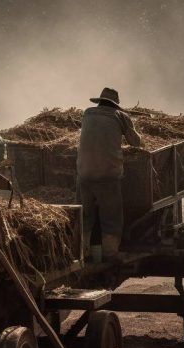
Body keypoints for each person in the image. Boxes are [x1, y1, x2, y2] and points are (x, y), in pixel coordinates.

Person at [76, 87, 143, 261]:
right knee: (111, 216)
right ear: (115, 104)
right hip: (107, 176)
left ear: (99, 101)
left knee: (86, 216)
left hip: (83, 174)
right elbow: (136, 143)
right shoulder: (120, 116)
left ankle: (83, 252)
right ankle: (110, 254)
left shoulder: (88, 114)